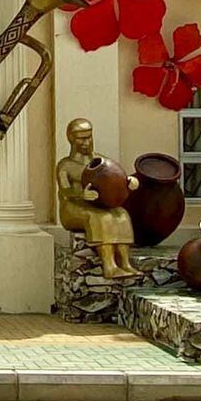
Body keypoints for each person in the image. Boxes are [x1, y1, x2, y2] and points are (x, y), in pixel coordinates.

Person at [55, 118, 141, 280]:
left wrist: (128, 182)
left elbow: (114, 179)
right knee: (101, 218)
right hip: (73, 208)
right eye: (81, 138)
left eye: (88, 137)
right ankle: (109, 266)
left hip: (99, 204)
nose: (86, 142)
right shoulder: (65, 166)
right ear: (71, 139)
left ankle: (125, 263)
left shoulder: (100, 161)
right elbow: (64, 192)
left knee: (121, 214)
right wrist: (81, 195)